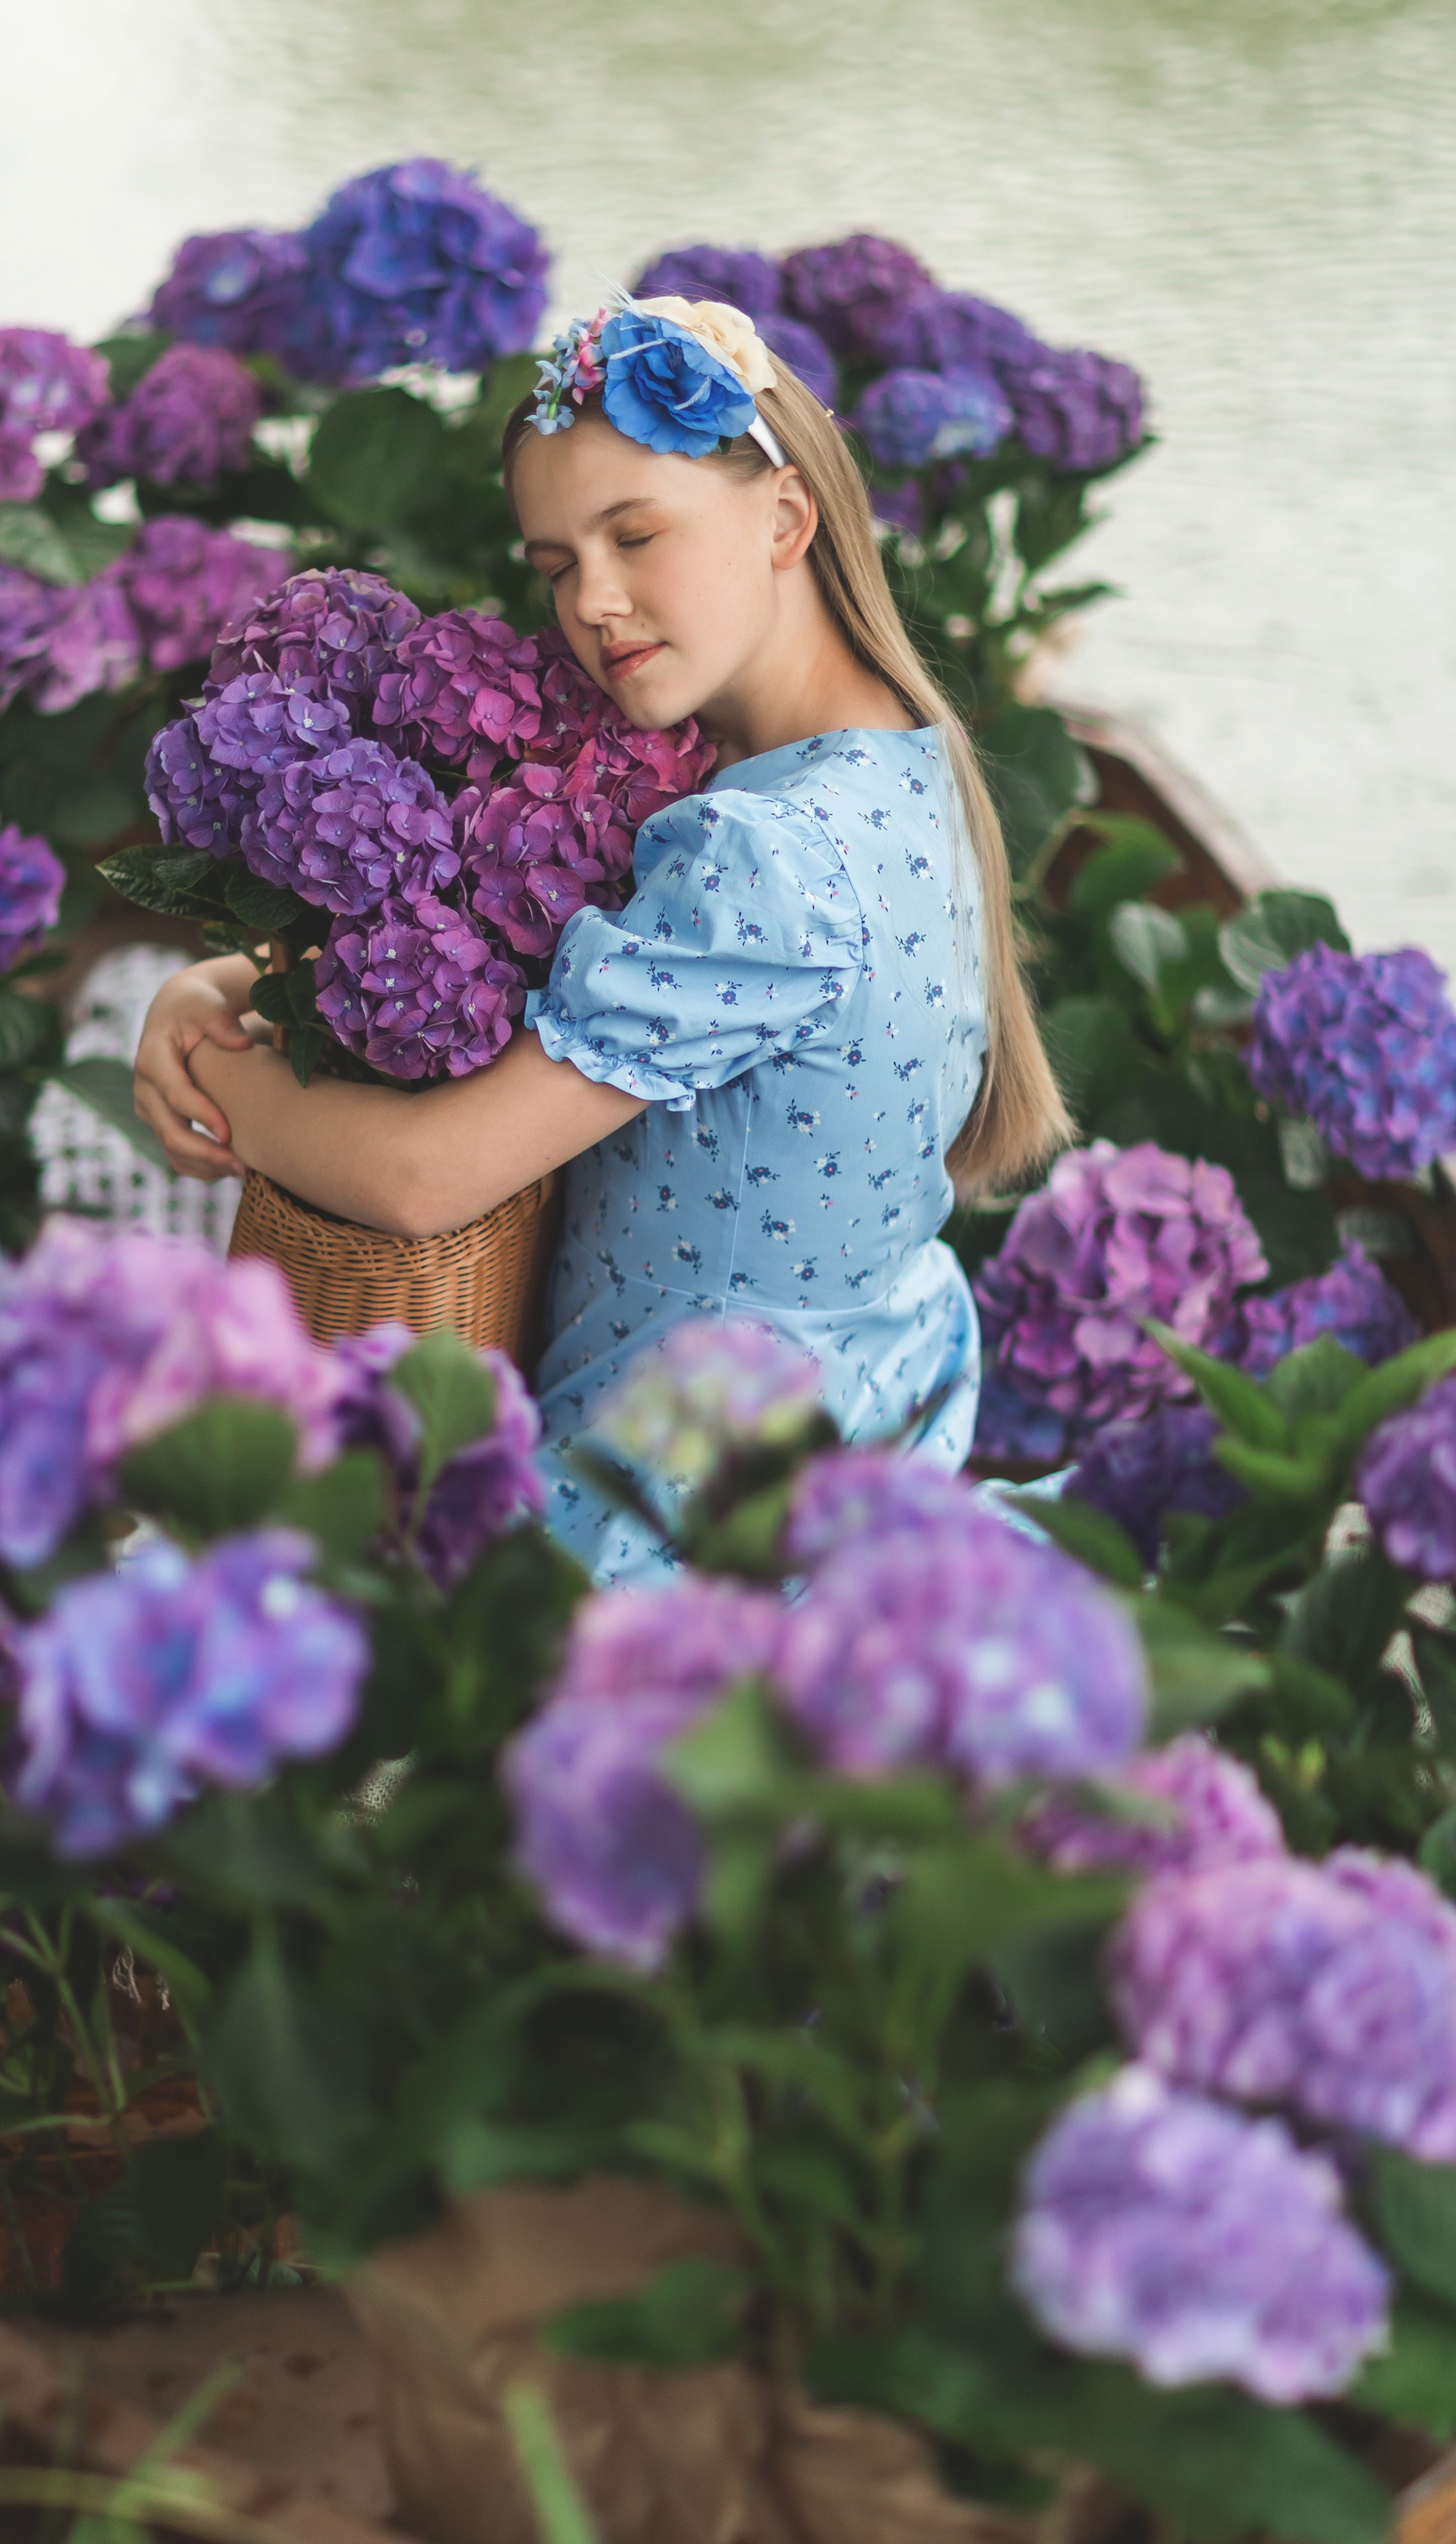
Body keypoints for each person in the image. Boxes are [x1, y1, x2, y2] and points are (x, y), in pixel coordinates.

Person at [133, 294, 1068, 1581]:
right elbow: (538, 982)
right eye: (557, 564)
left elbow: (425, 1181)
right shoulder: (900, 771)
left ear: (785, 518)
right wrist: (232, 973)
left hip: (678, 1492)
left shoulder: (759, 856)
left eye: (637, 535)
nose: (598, 603)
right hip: (862, 1406)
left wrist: (213, 1065)